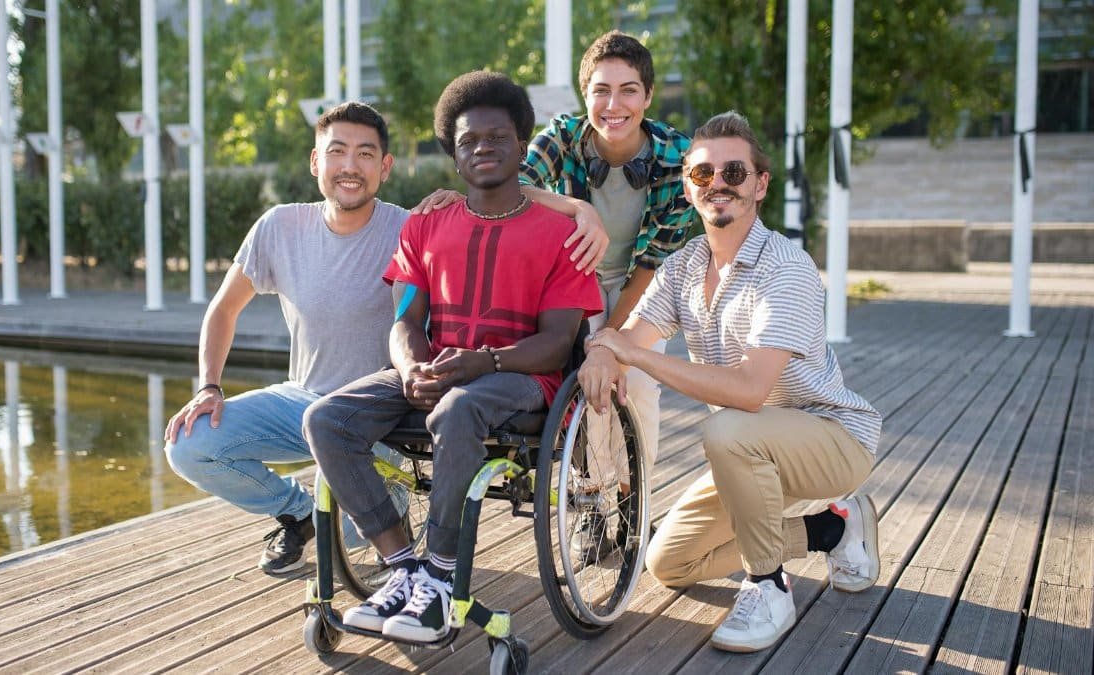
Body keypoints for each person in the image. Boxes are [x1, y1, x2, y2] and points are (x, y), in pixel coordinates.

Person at [304, 71, 604, 644]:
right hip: (440, 370)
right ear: (453, 153)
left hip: (521, 379)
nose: (483, 148)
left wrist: (484, 363)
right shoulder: (424, 226)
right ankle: (403, 566)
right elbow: (406, 321)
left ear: (522, 144)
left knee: (459, 408)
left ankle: (440, 577)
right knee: (325, 419)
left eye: (497, 138)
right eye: (468, 141)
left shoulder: (562, 234)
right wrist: (412, 365)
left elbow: (557, 345)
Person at [578, 111, 883, 653]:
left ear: (760, 184)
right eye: (702, 175)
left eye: (734, 173)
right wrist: (605, 352)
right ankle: (833, 530)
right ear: (690, 189)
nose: (718, 184)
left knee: (727, 431)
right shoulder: (682, 268)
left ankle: (767, 587)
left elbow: (748, 392)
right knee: (669, 562)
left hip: (832, 438)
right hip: (750, 449)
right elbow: (631, 336)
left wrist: (633, 356)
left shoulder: (785, 267)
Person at [164, 102, 406, 577]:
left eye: (364, 153)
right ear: (316, 162)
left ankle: (348, 517)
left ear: (385, 166)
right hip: (303, 401)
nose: (350, 167)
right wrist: (208, 387)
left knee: (355, 532)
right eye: (337, 152)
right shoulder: (280, 226)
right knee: (187, 445)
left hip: (381, 419)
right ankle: (296, 512)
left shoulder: (409, 229)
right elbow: (223, 309)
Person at [520, 29, 694, 562]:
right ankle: (594, 504)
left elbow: (651, 264)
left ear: (646, 97)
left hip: (645, 284)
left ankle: (631, 496)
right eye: (600, 90)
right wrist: (578, 208)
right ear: (584, 93)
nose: (613, 105)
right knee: (589, 395)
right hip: (574, 283)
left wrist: (612, 340)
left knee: (637, 388)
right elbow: (513, 185)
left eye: (628, 91)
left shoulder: (676, 158)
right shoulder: (560, 138)